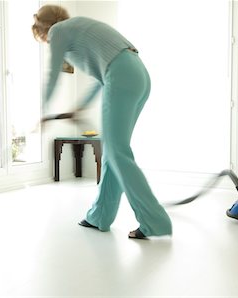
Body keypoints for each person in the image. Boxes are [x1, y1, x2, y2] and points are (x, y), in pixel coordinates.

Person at [32, 5, 172, 239]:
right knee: (114, 152)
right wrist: (81, 107)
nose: (47, 42)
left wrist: (44, 111)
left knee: (118, 153)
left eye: (42, 36)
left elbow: (53, 74)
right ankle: (100, 215)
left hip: (121, 75)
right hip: (138, 74)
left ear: (44, 28)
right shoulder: (79, 29)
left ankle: (154, 222)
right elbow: (101, 78)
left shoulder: (58, 31)